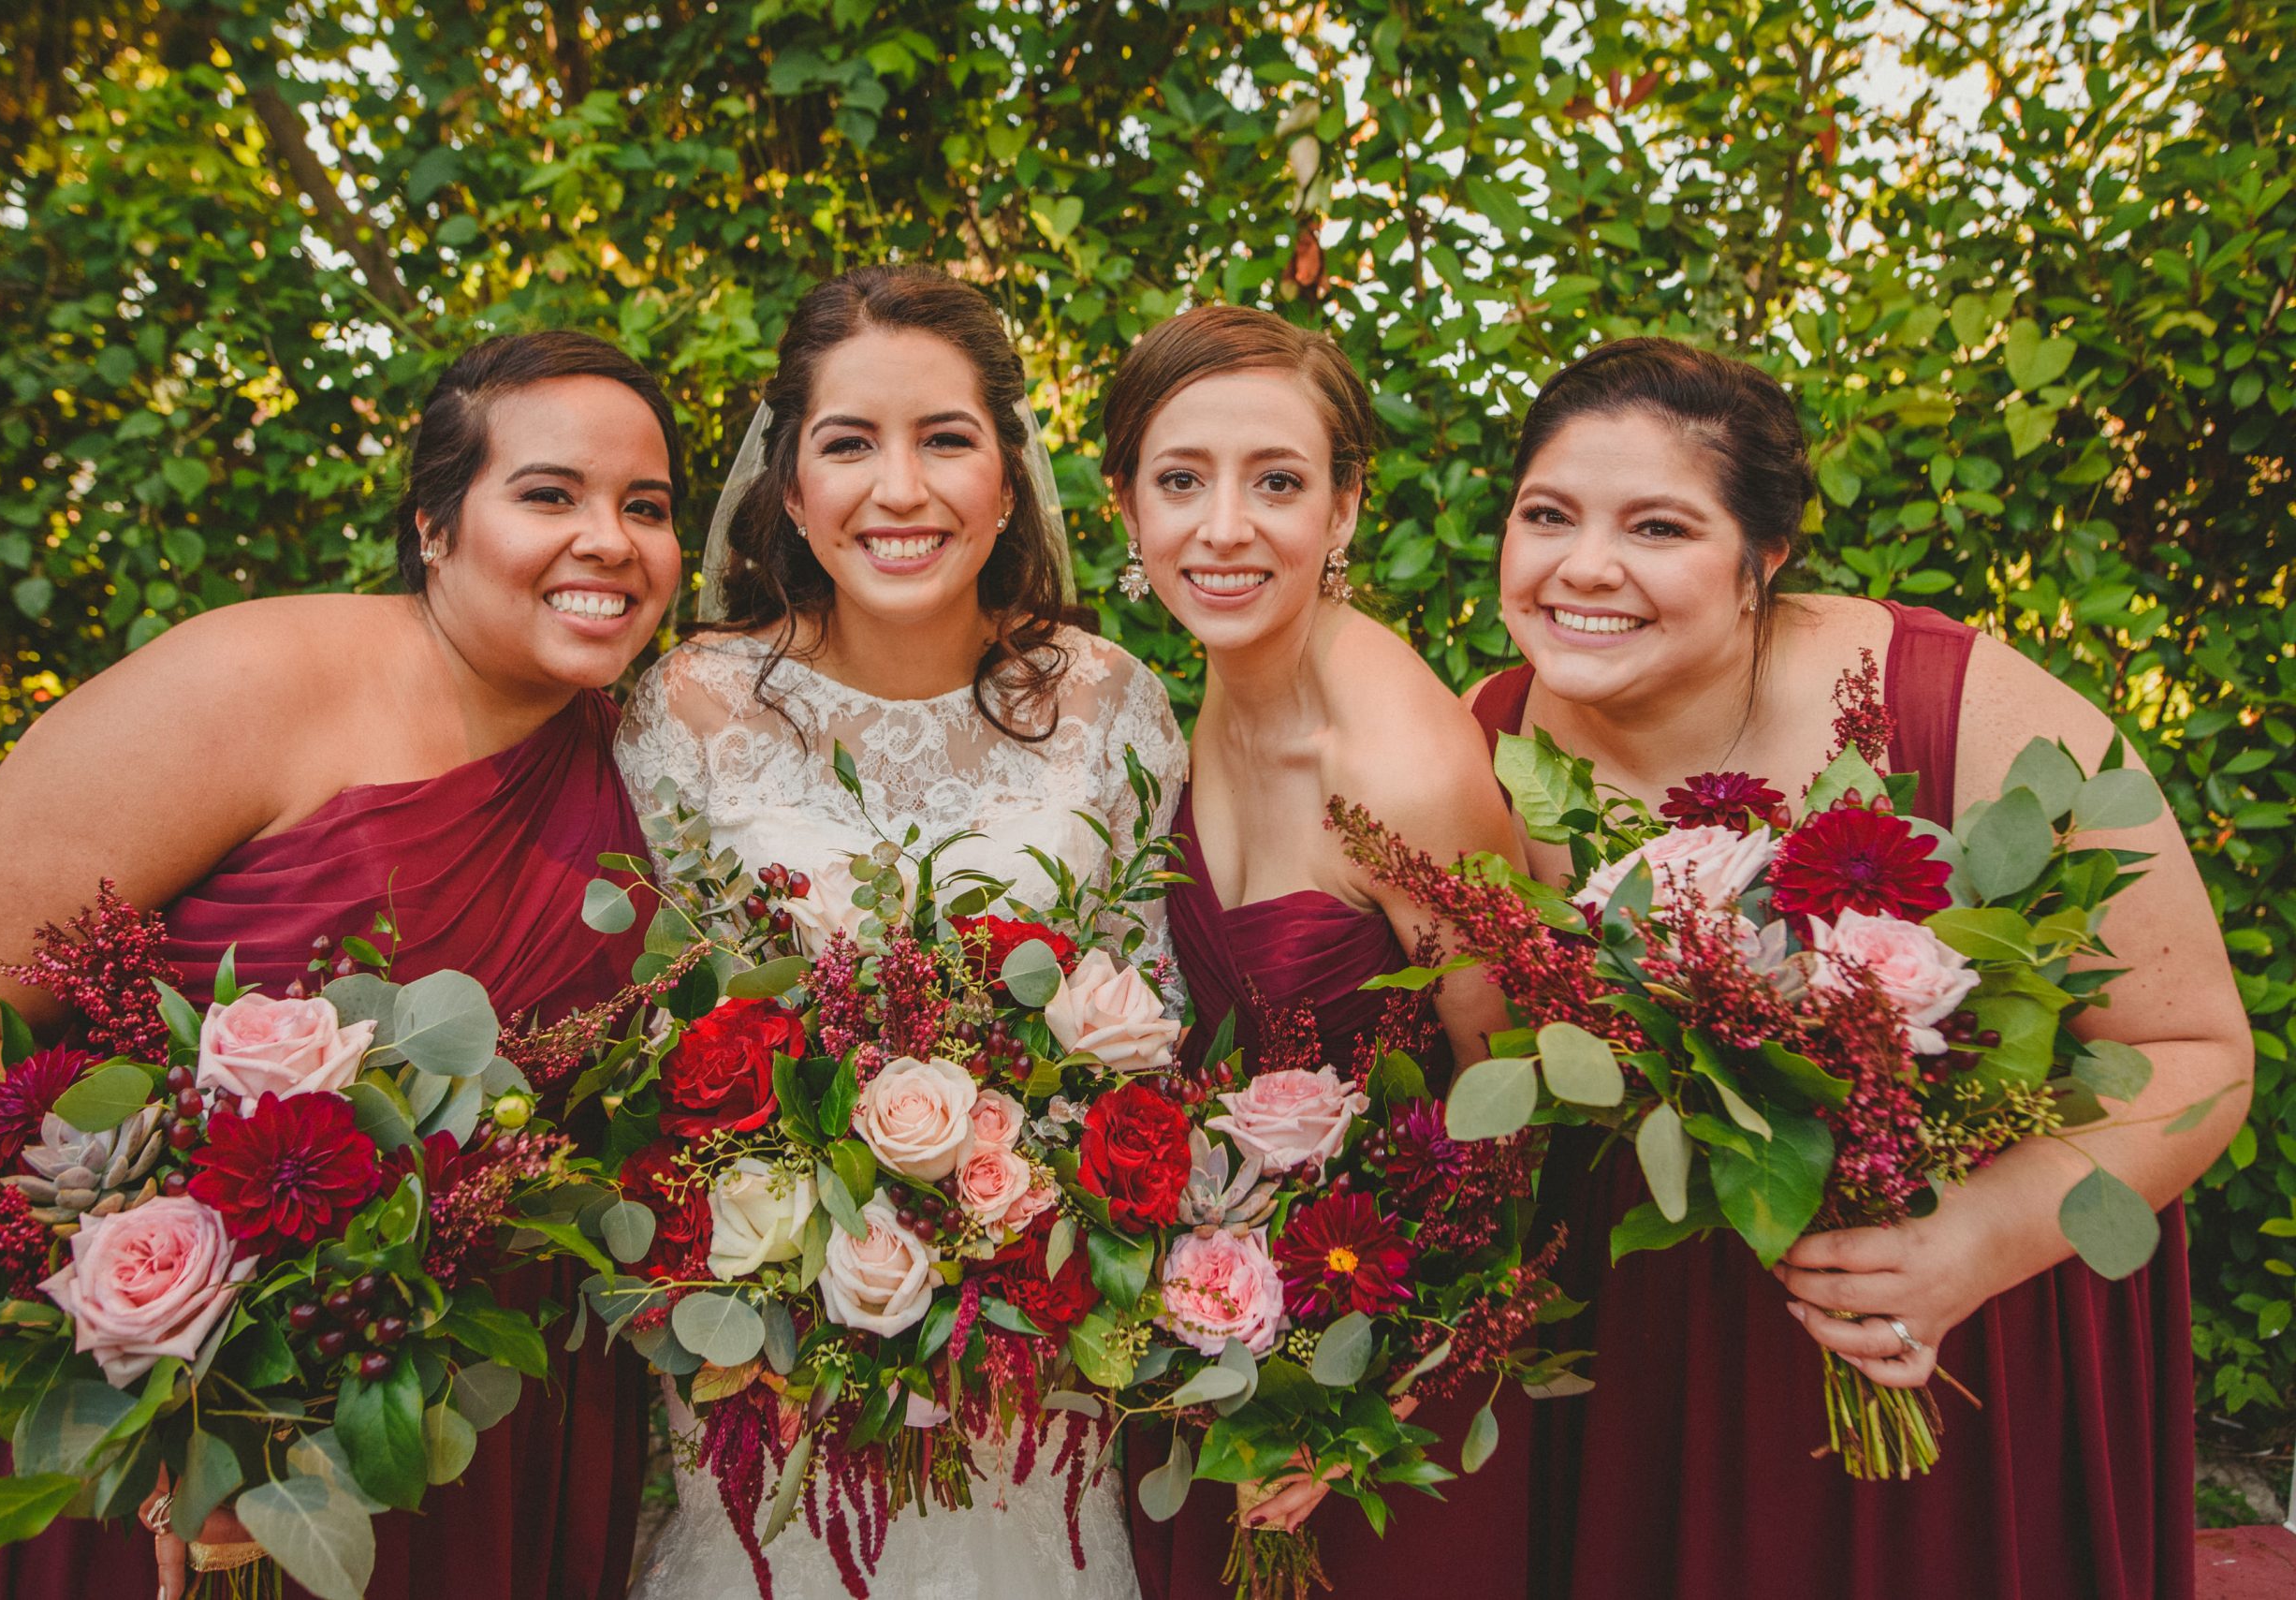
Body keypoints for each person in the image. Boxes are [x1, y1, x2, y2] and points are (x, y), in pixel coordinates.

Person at [1463, 336, 2250, 1600]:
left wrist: (1973, 1239)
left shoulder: (1968, 709)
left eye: (1659, 526)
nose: (1584, 567)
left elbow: (2199, 1052)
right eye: (1546, 514)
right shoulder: (1480, 748)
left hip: (1955, 1335)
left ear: (1765, 556)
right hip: (1644, 1363)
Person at [0, 330, 681, 1600]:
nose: (611, 541)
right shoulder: (247, 681)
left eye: (646, 507)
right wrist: (157, 1404)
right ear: (434, 525)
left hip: (468, 1412)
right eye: (550, 495)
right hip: (147, 1413)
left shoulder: (647, 760)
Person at [614, 264, 1185, 1600]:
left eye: (945, 439)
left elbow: (1154, 1022)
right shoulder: (689, 706)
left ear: (1008, 479)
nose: (901, 489)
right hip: (769, 1377)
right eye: (849, 443)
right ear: (790, 489)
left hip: (1034, 1372)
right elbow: (644, 1049)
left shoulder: (1111, 701)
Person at [1104, 304, 1534, 1600]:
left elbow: (1516, 1111)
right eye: (1182, 480)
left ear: (1345, 507)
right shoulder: (1210, 689)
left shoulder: (1397, 767)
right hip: (1229, 1348)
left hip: (1389, 1407)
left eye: (1278, 482)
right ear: (1127, 506)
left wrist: (1363, 1395)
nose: (1224, 527)